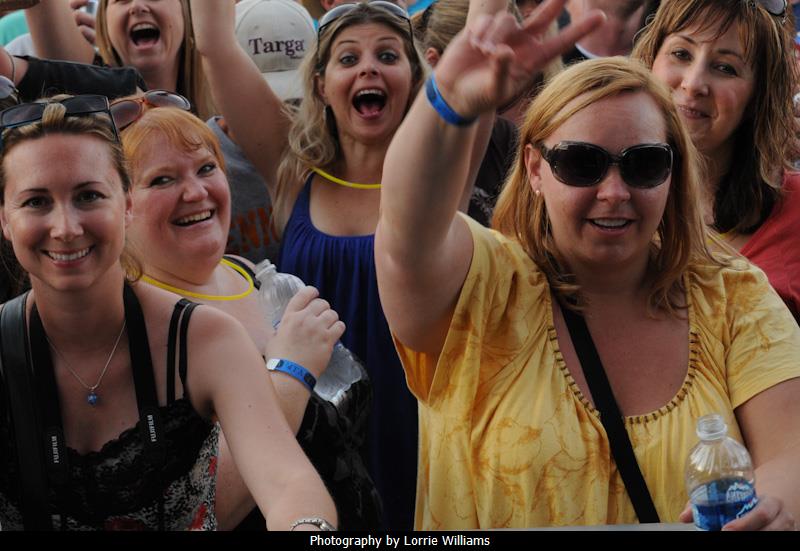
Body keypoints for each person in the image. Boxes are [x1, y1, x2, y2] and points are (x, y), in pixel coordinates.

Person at [374, 0, 800, 530]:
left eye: (645, 164)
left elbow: (790, 450)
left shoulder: (733, 295)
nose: (614, 192)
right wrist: (447, 100)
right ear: (535, 168)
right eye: (582, 163)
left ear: (674, 171)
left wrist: (773, 506)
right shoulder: (483, 287)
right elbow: (405, 229)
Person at [0, 95, 337, 530]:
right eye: (36, 202)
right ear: (4, 219)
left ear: (126, 205)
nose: (66, 228)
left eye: (88, 195)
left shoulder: (206, 339)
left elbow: (288, 482)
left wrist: (307, 526)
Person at [189, 0, 430, 529]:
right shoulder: (293, 171)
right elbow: (215, 45)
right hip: (314, 421)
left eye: (388, 55)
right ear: (321, 85)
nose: (368, 68)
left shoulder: (439, 178)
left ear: (415, 79)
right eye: (349, 58)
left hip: (418, 419)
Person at [117, 99, 383, 530]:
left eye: (206, 168)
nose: (196, 192)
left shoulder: (247, 273)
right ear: (120, 207)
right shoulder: (137, 329)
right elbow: (196, 510)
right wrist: (292, 371)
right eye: (162, 179)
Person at [632, 0, 800, 322]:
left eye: (726, 68)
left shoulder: (795, 211)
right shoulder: (592, 184)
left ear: (758, 96)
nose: (694, 83)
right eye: (681, 54)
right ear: (650, 59)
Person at [24, 0, 214, 119]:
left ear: (187, 14)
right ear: (104, 26)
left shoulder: (223, 103)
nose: (137, 6)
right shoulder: (88, 89)